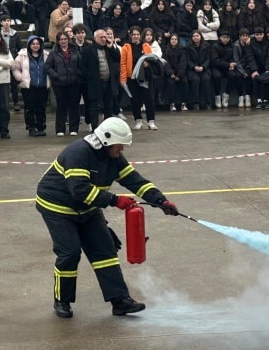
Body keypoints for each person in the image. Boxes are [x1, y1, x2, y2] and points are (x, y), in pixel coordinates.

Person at [35, 116, 180, 319]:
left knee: (105, 250)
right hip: (58, 208)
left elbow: (135, 181)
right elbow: (79, 190)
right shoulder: (78, 153)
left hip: (88, 209)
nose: (121, 150)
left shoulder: (113, 157)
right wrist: (114, 200)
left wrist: (161, 201)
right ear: (106, 141)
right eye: (119, 146)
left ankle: (120, 301)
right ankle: (62, 300)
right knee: (70, 252)